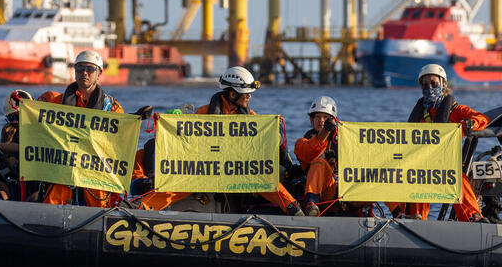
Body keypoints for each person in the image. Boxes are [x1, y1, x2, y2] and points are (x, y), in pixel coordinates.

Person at [137, 66, 301, 215]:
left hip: (237, 169)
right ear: (232, 94)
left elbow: (271, 141)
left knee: (266, 179)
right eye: (247, 94)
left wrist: (273, 130)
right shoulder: (204, 113)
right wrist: (168, 124)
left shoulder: (251, 117)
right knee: (180, 182)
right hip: (208, 169)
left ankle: (294, 209)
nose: (250, 97)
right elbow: (185, 138)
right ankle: (140, 206)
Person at [391, 63, 489, 222]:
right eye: (425, 84)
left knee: (457, 179)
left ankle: (473, 218)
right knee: (401, 175)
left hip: (446, 167)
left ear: (444, 84)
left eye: (434, 83)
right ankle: (412, 220)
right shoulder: (421, 113)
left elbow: (482, 118)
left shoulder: (455, 110)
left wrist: (471, 124)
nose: (429, 87)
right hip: (421, 166)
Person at [37, 50, 125, 207]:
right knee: (54, 195)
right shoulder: (56, 103)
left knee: (99, 198)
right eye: (80, 69)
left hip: (94, 166)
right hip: (63, 163)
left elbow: (120, 140)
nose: (84, 73)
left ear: (98, 73)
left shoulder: (112, 108)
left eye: (90, 69)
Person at [294, 95, 341, 216]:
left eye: (325, 117)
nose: (321, 120)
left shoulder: (344, 141)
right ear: (311, 120)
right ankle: (312, 205)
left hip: (341, 191)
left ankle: (397, 212)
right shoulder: (302, 143)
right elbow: (311, 152)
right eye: (318, 117)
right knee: (319, 162)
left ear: (333, 120)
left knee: (381, 172)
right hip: (319, 191)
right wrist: (326, 131)